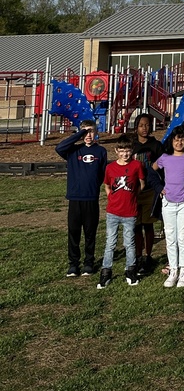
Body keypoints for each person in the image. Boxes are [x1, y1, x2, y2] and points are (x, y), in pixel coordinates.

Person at [56, 118, 108, 277]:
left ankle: (89, 263)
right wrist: (79, 134)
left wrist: (93, 187)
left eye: (91, 131)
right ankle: (73, 264)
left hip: (91, 199)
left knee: (90, 232)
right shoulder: (72, 151)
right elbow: (59, 147)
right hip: (75, 198)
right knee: (74, 232)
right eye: (85, 131)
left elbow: (102, 174)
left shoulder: (101, 151)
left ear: (96, 132)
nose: (88, 135)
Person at [97, 134, 144, 289]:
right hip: (113, 212)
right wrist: (112, 199)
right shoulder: (110, 168)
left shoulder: (137, 165)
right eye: (122, 150)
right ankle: (106, 271)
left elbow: (141, 184)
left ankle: (130, 270)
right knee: (110, 242)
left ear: (132, 150)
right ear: (116, 151)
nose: (125, 154)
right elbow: (107, 186)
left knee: (129, 242)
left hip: (130, 212)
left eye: (128, 150)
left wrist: (133, 197)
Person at [153, 125, 184, 288]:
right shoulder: (164, 158)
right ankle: (173, 270)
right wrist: (159, 188)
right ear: (171, 141)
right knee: (170, 237)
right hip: (168, 202)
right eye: (176, 139)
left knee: (183, 237)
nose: (179, 142)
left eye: (182, 139)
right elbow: (152, 170)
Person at [131, 112, 164, 275]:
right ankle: (137, 255)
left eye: (147, 125)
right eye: (141, 125)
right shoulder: (131, 145)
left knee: (148, 224)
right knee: (136, 225)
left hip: (150, 190)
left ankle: (147, 255)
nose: (145, 128)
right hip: (134, 191)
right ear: (136, 127)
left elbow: (163, 167)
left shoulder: (156, 145)